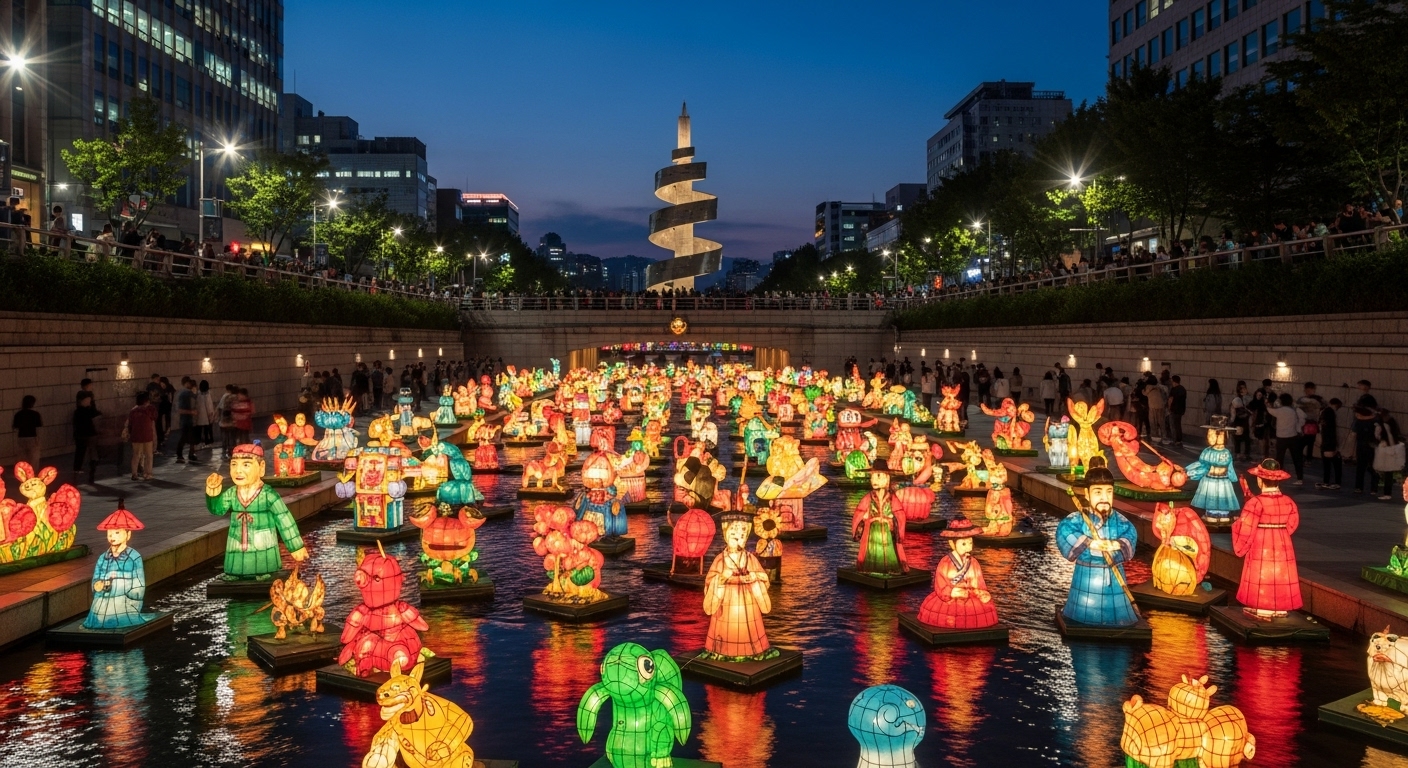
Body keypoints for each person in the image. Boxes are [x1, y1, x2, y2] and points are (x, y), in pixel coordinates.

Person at [1056, 465, 1139, 627]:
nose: (1104, 498)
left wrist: (1116, 544)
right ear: (1087, 494)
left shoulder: (1120, 521)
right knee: (1083, 611)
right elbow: (1064, 530)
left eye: (1109, 492)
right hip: (1086, 577)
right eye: (1098, 492)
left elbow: (1131, 534)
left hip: (1114, 578)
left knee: (1118, 614)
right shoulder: (1079, 518)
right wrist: (1090, 542)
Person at [1233, 459, 1303, 621]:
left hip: (1261, 540)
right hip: (1282, 541)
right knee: (1281, 574)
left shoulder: (1255, 503)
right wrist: (1281, 534)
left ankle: (1263, 607)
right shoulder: (1288, 501)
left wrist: (1237, 524)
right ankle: (1281, 608)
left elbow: (1246, 527)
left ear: (1260, 480)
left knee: (1261, 574)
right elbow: (1293, 523)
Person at [702, 509, 774, 660]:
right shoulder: (720, 560)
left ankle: (754, 651)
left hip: (748, 600)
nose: (737, 539)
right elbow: (710, 580)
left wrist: (754, 576)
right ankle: (722, 652)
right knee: (725, 630)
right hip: (726, 602)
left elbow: (764, 578)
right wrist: (722, 577)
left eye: (742, 536)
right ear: (725, 534)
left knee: (751, 630)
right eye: (733, 534)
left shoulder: (750, 558)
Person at [915, 517, 999, 630]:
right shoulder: (945, 562)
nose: (968, 547)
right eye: (963, 544)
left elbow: (979, 581)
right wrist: (951, 592)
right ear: (952, 544)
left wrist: (980, 591)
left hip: (970, 596)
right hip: (951, 597)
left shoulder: (974, 562)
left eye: (970, 542)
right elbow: (940, 584)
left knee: (982, 610)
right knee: (945, 614)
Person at [1268, 393, 1305, 485]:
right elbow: (1304, 416)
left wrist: (1267, 403)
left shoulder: (1279, 411)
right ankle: (1300, 478)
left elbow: (1269, 410)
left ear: (1281, 401)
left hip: (1281, 438)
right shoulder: (1294, 410)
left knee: (1279, 458)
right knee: (1296, 458)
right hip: (1293, 437)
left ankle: (1278, 477)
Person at [1374, 410, 1404, 501]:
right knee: (1388, 472)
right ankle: (1386, 492)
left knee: (1387, 472)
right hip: (1390, 449)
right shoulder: (1391, 423)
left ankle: (1387, 493)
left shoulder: (1385, 425)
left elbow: (1388, 437)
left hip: (1387, 450)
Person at [127, 392, 158, 481]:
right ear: (146, 401)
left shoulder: (133, 411)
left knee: (136, 455)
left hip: (136, 436)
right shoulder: (149, 409)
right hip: (147, 435)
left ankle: (134, 474)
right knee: (149, 455)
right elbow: (154, 417)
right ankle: (148, 473)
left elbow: (130, 424)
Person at [73, 393, 101, 482]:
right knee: (90, 452)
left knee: (80, 452)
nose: (89, 401)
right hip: (88, 434)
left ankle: (77, 469)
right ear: (83, 401)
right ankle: (91, 469)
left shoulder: (77, 411)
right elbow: (96, 416)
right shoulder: (88, 411)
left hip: (81, 434)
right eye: (88, 400)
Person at [1353, 405, 1380, 495]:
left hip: (1361, 446)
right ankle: (1374, 488)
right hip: (1371, 446)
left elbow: (1353, 433)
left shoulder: (1358, 422)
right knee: (1373, 467)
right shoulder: (1374, 421)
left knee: (1360, 468)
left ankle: (1359, 487)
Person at [174, 378, 202, 464]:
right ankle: (183, 454)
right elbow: (180, 409)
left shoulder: (184, 393)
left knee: (188, 437)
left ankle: (187, 454)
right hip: (187, 420)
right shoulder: (185, 394)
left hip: (188, 420)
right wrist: (191, 412)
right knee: (185, 437)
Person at [1316, 398, 1342, 490]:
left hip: (1326, 441)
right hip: (1329, 441)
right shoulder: (1330, 412)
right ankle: (1335, 481)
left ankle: (1327, 481)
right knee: (1335, 462)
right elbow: (1332, 430)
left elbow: (1324, 428)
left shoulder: (1325, 412)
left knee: (1327, 462)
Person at [11, 394, 42, 467]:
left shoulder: (18, 414)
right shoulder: (35, 414)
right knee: (34, 458)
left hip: (21, 437)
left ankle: (23, 471)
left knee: (22, 458)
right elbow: (38, 428)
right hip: (32, 437)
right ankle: (33, 472)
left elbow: (15, 426)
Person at [1168, 375, 1187, 447]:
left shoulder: (1174, 389)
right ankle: (1179, 440)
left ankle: (1175, 440)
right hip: (1181, 410)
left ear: (1174, 381)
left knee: (1173, 425)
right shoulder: (1183, 389)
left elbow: (1170, 399)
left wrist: (1169, 408)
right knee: (1178, 425)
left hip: (1174, 409)